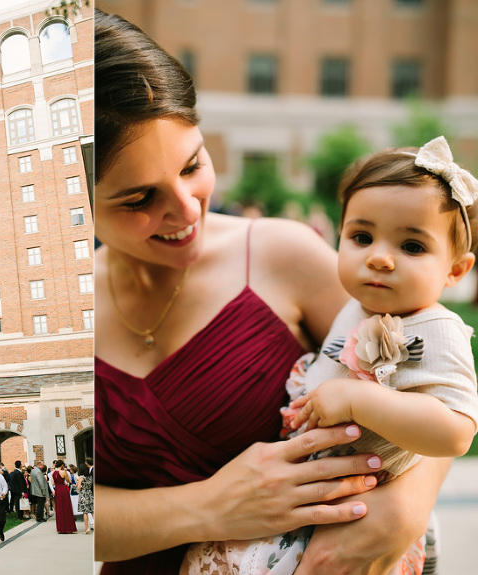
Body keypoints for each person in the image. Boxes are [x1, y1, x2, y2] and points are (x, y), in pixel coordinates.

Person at [93, 10, 454, 575]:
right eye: (139, 199)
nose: (187, 210)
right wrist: (207, 509)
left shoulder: (285, 255)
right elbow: (57, 513)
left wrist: (397, 517)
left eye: (192, 165)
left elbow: (437, 394)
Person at [182, 136, 478, 573]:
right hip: (310, 491)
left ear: (455, 269)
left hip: (361, 504)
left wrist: (361, 400)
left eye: (411, 246)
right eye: (361, 236)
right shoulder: (353, 307)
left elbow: (456, 432)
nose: (379, 258)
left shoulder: (438, 329)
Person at [52, 460, 77, 534]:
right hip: (63, 489)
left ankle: (61, 528)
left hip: (57, 489)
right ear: (62, 465)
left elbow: (53, 482)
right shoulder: (63, 472)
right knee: (66, 507)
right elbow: (68, 480)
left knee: (59, 507)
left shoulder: (53, 473)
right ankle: (68, 527)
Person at [76, 459, 94, 535]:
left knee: (85, 512)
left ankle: (87, 528)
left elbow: (78, 487)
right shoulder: (90, 477)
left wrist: (77, 483)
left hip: (83, 494)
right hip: (90, 494)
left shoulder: (81, 477)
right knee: (92, 511)